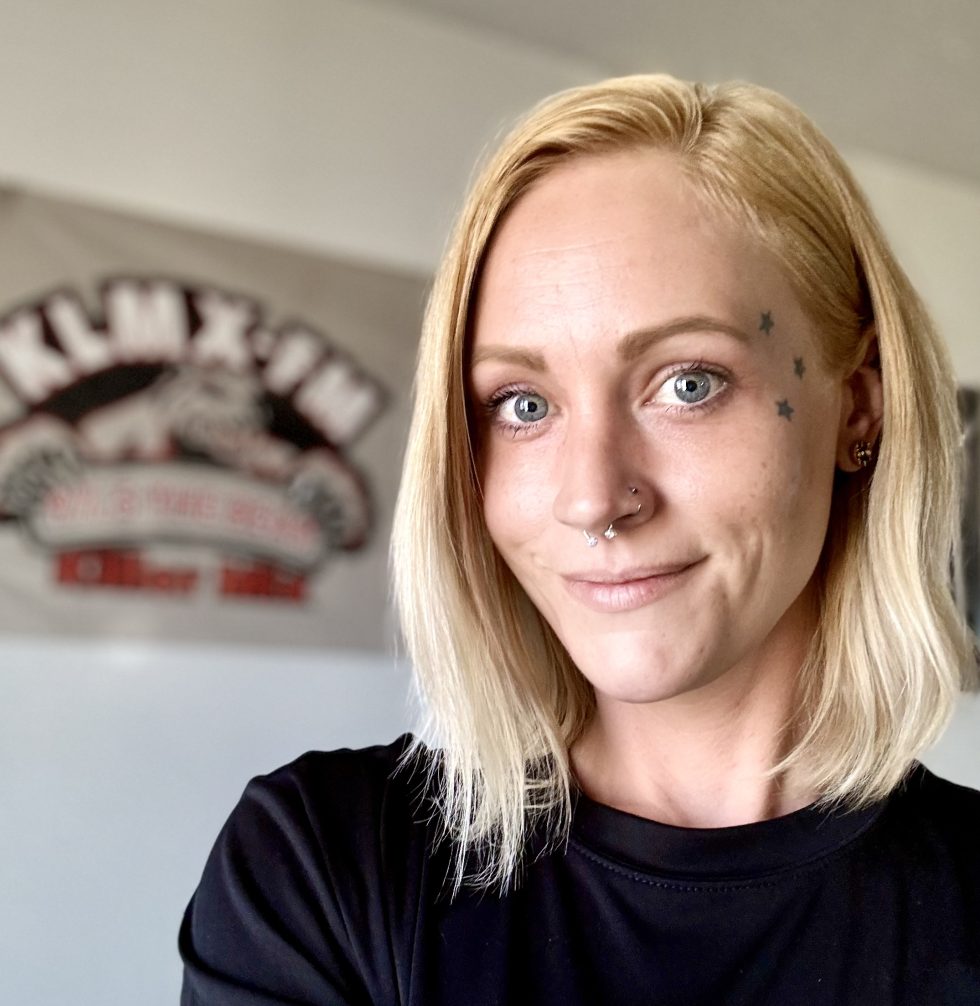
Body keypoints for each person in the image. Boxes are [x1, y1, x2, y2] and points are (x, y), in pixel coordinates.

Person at [179, 74, 980, 1005]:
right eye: (523, 405)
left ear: (859, 406)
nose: (594, 498)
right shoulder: (323, 867)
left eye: (688, 383)